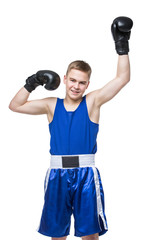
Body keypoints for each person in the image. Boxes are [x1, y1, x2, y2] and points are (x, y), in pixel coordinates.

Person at [9, 16, 133, 240]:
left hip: (86, 174)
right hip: (57, 174)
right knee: (57, 234)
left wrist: (122, 46)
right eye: (73, 80)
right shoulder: (50, 105)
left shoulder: (92, 102)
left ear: (88, 84)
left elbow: (122, 78)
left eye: (82, 82)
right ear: (65, 79)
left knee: (90, 234)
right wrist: (32, 82)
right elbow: (15, 105)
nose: (76, 86)